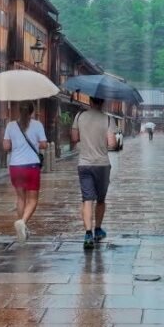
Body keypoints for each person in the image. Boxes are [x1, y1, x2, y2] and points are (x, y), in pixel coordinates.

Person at [70, 97, 117, 250]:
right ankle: (98, 229)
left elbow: (74, 138)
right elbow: (112, 144)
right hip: (102, 164)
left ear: (90, 101)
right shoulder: (108, 119)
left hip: (84, 164)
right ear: (102, 102)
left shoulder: (79, 116)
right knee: (101, 200)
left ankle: (88, 233)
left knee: (87, 199)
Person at [3, 102, 47, 241]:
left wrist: (15, 145)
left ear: (18, 111)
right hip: (31, 166)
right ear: (32, 112)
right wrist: (35, 143)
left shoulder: (10, 125)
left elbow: (5, 146)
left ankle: (22, 228)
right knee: (32, 200)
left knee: (20, 198)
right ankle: (22, 222)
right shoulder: (37, 125)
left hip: (15, 166)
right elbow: (44, 144)